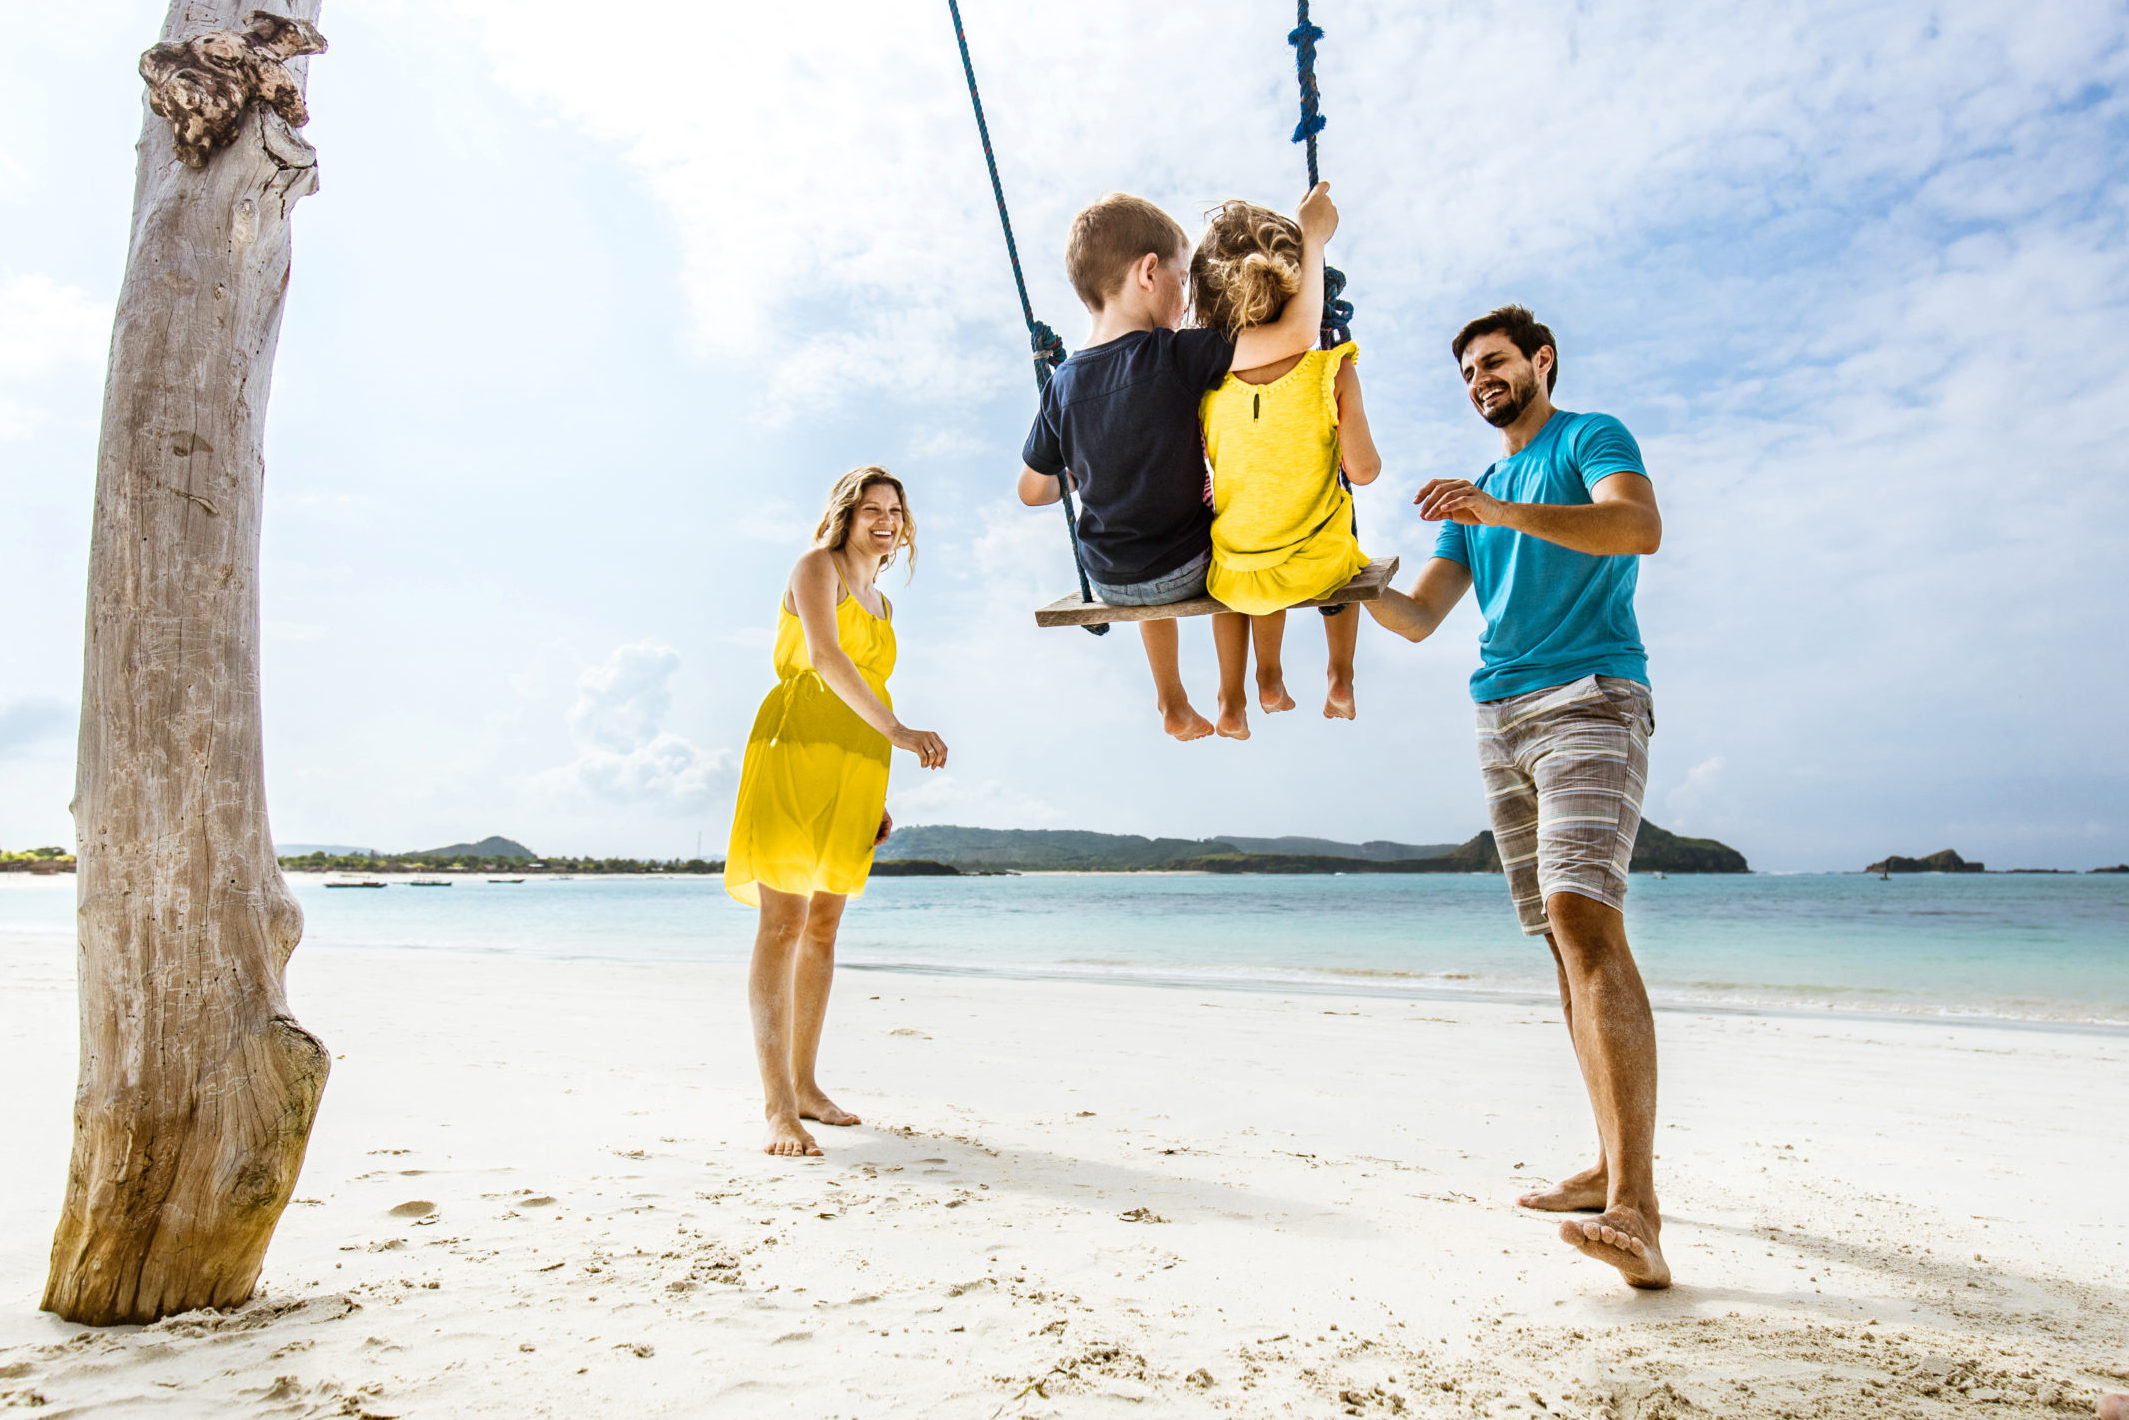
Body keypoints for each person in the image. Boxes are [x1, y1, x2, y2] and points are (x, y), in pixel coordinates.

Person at [1365, 306, 1670, 1289]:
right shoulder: (1471, 496)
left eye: (1492, 362)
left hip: (1588, 696)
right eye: (1465, 370)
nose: (1478, 379)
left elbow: (1636, 526)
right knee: (1557, 942)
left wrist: (1501, 512)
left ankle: (1636, 1208)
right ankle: (1606, 1167)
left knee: (1586, 923)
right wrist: (1343, 577)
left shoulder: (1587, 438)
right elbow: (1416, 617)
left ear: (1539, 360)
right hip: (1497, 716)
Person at [1018, 184, 1339, 740]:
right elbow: (1297, 335)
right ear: (1148, 274)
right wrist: (1313, 237)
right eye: (1181, 280)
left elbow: (1035, 491)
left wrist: (1093, 463)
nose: (1185, 298)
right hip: (1187, 569)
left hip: (1109, 579)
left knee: (1138, 543)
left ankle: (1171, 701)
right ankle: (1235, 692)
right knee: (1235, 536)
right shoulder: (1176, 353)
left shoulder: (1062, 385)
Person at [724, 467, 948, 1158]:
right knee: (783, 922)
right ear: (845, 516)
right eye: (871, 509)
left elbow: (864, 683)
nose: (885, 520)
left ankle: (808, 1086)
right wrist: (902, 732)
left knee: (821, 927)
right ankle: (777, 1109)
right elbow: (823, 658)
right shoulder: (814, 566)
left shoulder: (881, 603)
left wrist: (874, 790)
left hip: (854, 764)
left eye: (894, 510)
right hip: (793, 750)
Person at [1190, 199, 1382, 737]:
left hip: (1236, 571)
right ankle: (1340, 679)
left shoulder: (1206, 385)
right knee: (1347, 553)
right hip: (1316, 564)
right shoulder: (1332, 368)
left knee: (1248, 564)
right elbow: (1363, 472)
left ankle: (1259, 684)